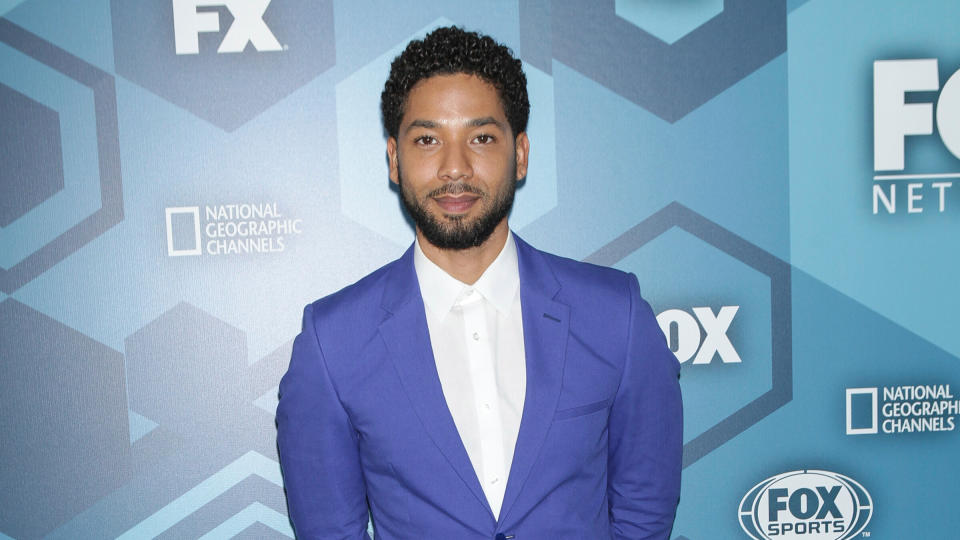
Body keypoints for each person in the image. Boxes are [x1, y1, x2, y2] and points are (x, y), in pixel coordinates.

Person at [276, 26, 682, 539]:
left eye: (481, 138)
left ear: (522, 153)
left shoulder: (615, 315)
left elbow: (645, 511)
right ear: (394, 159)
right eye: (428, 140)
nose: (455, 168)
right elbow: (328, 530)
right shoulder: (332, 340)